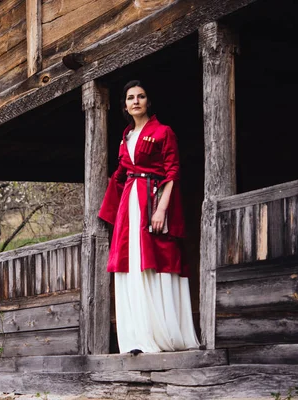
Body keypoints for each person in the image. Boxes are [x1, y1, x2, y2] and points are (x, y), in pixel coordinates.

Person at [98, 80, 200, 354]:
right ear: (125, 105)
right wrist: (109, 208)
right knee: (131, 263)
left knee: (157, 259)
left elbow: (172, 171)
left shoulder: (163, 132)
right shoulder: (126, 136)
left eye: (141, 96)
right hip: (129, 205)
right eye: (130, 97)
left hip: (152, 199)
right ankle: (136, 337)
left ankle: (162, 334)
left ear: (148, 102)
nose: (135, 101)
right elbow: (121, 172)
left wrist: (162, 209)